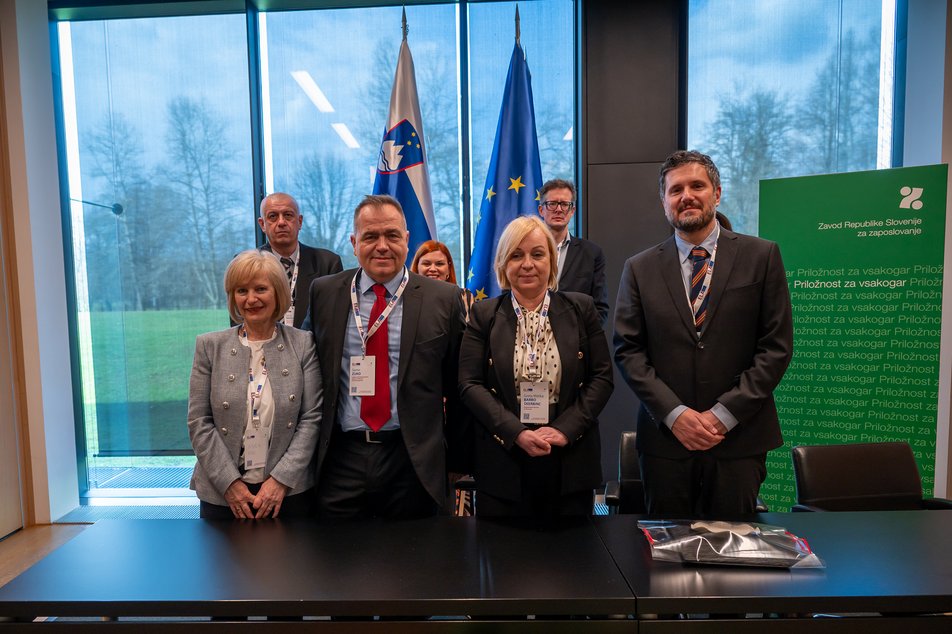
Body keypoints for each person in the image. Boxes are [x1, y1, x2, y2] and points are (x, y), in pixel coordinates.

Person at [613, 150, 793, 517]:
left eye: (697, 185)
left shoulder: (762, 256)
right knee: (666, 561)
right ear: (664, 201)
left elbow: (775, 348)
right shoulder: (639, 268)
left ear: (717, 192)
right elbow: (628, 351)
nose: (686, 196)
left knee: (735, 557)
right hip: (666, 444)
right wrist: (676, 414)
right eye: (675, 189)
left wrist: (723, 414)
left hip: (738, 441)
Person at [304, 194, 466, 519]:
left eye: (392, 235)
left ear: (407, 240)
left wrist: (458, 460)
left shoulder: (443, 299)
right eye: (370, 236)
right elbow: (307, 369)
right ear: (353, 242)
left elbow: (459, 386)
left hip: (412, 460)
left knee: (415, 563)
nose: (382, 246)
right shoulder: (324, 293)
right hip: (340, 457)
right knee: (337, 563)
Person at [458, 215, 613, 516]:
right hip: (503, 457)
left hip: (569, 459)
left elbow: (602, 378)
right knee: (502, 556)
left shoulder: (581, 308)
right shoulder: (483, 315)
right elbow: (469, 384)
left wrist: (565, 430)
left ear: (552, 262)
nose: (527, 263)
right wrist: (516, 432)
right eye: (516, 255)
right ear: (503, 263)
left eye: (537, 254)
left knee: (573, 556)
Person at [188, 250, 322, 519]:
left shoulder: (303, 344)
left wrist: (280, 481)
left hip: (287, 493)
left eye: (261, 289)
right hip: (222, 494)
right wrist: (229, 483)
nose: (251, 299)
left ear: (278, 293)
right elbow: (199, 422)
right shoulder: (209, 346)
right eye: (241, 290)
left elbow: (311, 418)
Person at [258, 192, 343, 328]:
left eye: (288, 215)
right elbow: (239, 319)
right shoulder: (246, 264)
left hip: (312, 347)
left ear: (300, 221)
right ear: (262, 224)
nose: (281, 222)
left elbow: (333, 322)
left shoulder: (328, 263)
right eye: (273, 216)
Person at [537, 179, 609, 324]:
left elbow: (600, 309)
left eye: (564, 204)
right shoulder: (525, 251)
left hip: (576, 343)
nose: (558, 209)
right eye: (552, 204)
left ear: (572, 211)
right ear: (541, 210)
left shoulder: (592, 253)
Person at [410, 240, 475, 321]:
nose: (433, 269)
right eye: (426, 264)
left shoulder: (465, 297)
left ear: (448, 269)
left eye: (439, 264)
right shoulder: (406, 298)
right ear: (417, 267)